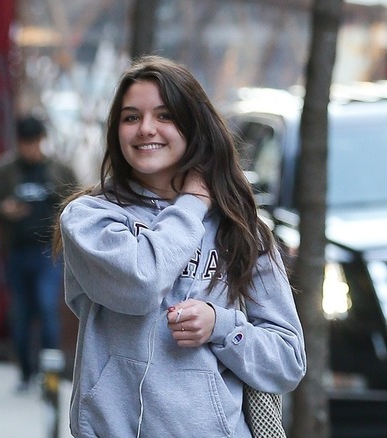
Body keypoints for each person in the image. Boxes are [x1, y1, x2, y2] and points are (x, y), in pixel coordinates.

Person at [54, 55, 306, 437]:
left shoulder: (239, 228)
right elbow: (141, 283)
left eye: (165, 115)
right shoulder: (89, 218)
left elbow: (287, 360)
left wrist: (221, 326)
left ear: (193, 126)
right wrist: (192, 204)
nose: (145, 129)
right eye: (131, 117)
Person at [0, 114, 78, 392]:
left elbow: (80, 201)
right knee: (22, 314)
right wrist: (5, 209)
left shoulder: (60, 170)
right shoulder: (3, 170)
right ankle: (26, 372)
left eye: (34, 143)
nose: (30, 149)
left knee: (48, 308)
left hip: (48, 252)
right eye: (25, 143)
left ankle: (49, 373)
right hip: (17, 251)